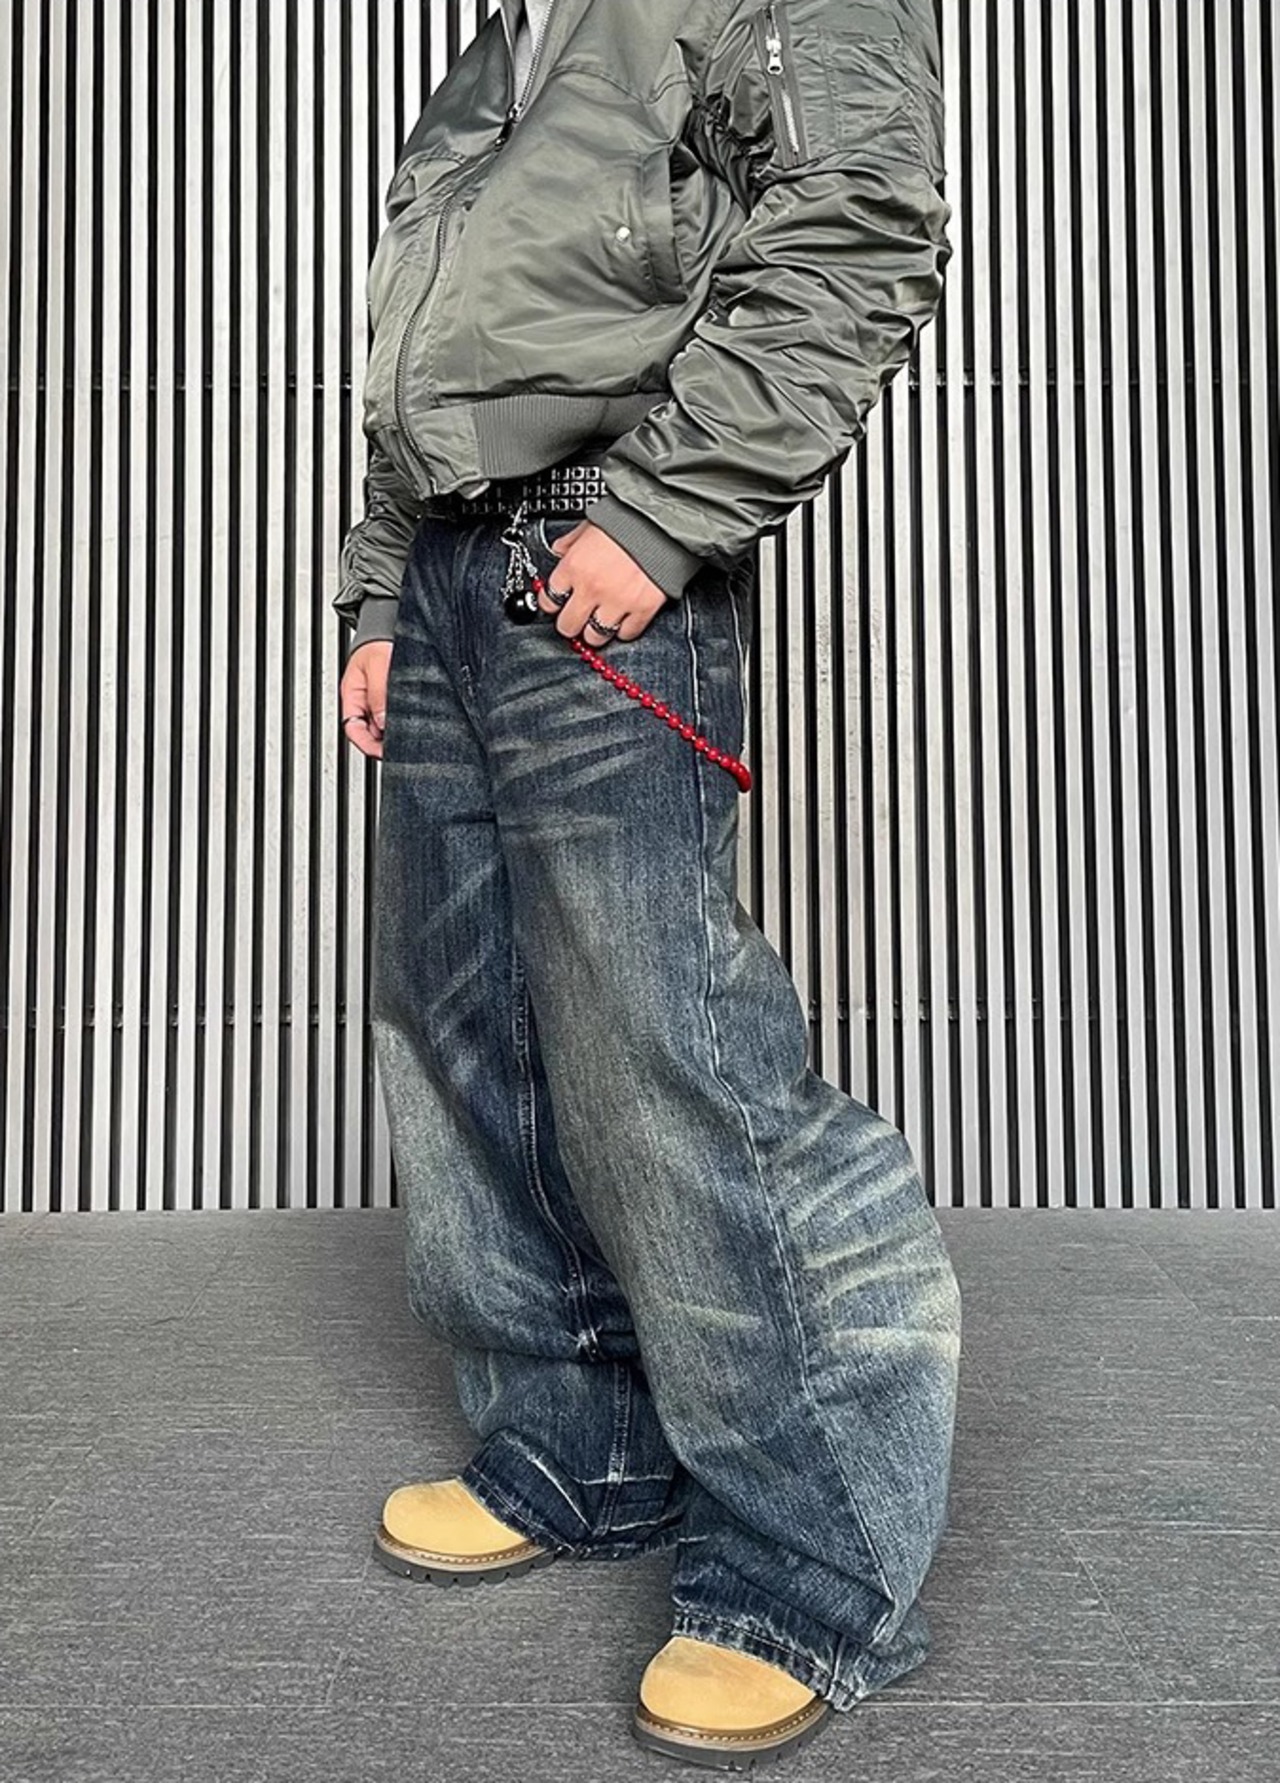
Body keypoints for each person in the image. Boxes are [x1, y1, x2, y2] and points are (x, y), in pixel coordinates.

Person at [336, 0, 962, 1767]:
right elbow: (432, 342)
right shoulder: (513, 37)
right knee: (465, 1034)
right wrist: (385, 586)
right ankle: (577, 1448)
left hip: (597, 545)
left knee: (669, 1059)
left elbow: (856, 226)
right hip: (455, 570)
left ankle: (808, 1568)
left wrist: (662, 514)